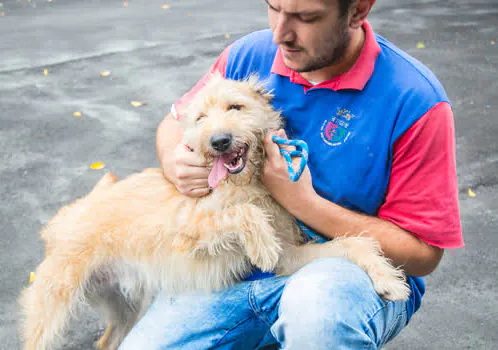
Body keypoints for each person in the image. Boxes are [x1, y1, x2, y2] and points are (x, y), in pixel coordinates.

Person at [119, 0, 464, 348]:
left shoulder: (415, 99)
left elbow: (422, 254)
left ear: (358, 10)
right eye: (273, 7)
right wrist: (174, 159)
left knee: (317, 314)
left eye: (306, 17)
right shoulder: (247, 55)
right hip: (236, 266)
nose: (280, 33)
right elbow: (175, 122)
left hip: (342, 271)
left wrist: (304, 203)